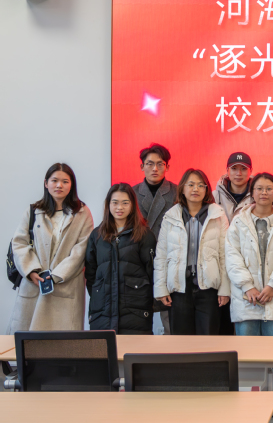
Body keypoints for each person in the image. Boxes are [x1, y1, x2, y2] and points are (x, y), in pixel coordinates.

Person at [226, 173, 273, 417]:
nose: (264, 193)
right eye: (259, 188)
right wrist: (247, 286)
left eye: (269, 188)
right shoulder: (238, 222)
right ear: (252, 192)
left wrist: (272, 286)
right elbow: (232, 256)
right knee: (247, 354)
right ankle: (248, 397)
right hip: (246, 297)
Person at [7, 163, 94, 333]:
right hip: (34, 284)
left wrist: (56, 276)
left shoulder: (82, 213)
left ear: (72, 185)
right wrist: (31, 271)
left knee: (63, 343)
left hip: (66, 286)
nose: (59, 185)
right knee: (28, 341)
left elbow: (81, 250)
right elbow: (19, 243)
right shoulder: (33, 211)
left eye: (65, 181)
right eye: (54, 180)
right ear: (46, 183)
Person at [154, 168, 230, 335]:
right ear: (182, 188)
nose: (196, 189)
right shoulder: (171, 216)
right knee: (182, 342)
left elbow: (225, 255)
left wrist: (225, 289)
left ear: (206, 189)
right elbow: (161, 255)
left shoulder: (217, 215)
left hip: (209, 289)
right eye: (191, 184)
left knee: (208, 340)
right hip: (179, 288)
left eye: (200, 185)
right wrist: (161, 288)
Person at [85, 183, 156, 335]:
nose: (119, 207)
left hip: (135, 311)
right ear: (108, 204)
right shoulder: (97, 235)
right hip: (102, 312)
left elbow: (152, 272)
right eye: (115, 202)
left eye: (125, 203)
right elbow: (91, 274)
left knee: (135, 349)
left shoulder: (144, 234)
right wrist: (100, 292)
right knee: (103, 349)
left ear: (132, 205)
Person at [134, 143, 178, 334]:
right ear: (141, 166)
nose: (155, 168)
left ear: (167, 166)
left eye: (160, 164)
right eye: (150, 164)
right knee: (138, 319)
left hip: (169, 261)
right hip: (138, 261)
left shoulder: (177, 192)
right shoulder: (131, 193)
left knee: (171, 321)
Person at [213, 151, 255, 335]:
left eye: (243, 169)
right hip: (219, 264)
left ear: (250, 171)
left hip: (247, 266)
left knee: (245, 323)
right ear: (227, 171)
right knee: (221, 322)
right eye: (234, 168)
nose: (239, 173)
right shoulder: (213, 196)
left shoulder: (258, 195)